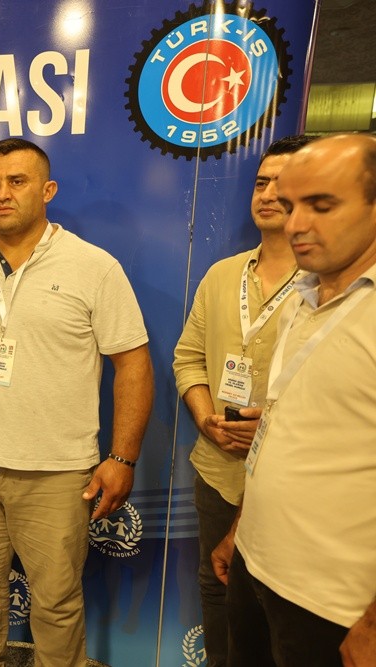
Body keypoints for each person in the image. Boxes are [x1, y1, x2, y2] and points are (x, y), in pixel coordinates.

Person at [0, 137, 154, 666]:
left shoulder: (94, 267)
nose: (2, 194)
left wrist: (122, 457)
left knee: (55, 602)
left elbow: (133, 364)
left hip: (56, 471)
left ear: (48, 189)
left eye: (17, 181)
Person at [211, 133, 376, 666]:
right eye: (290, 204)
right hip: (256, 568)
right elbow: (280, 430)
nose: (296, 223)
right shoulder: (305, 297)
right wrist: (240, 530)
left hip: (333, 604)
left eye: (321, 205)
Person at [172, 135, 312, 667]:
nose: (267, 194)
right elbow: (187, 358)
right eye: (260, 183)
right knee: (216, 585)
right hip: (218, 469)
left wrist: (272, 429)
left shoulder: (329, 284)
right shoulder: (222, 275)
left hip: (287, 480)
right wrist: (206, 418)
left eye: (283, 184)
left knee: (279, 604)